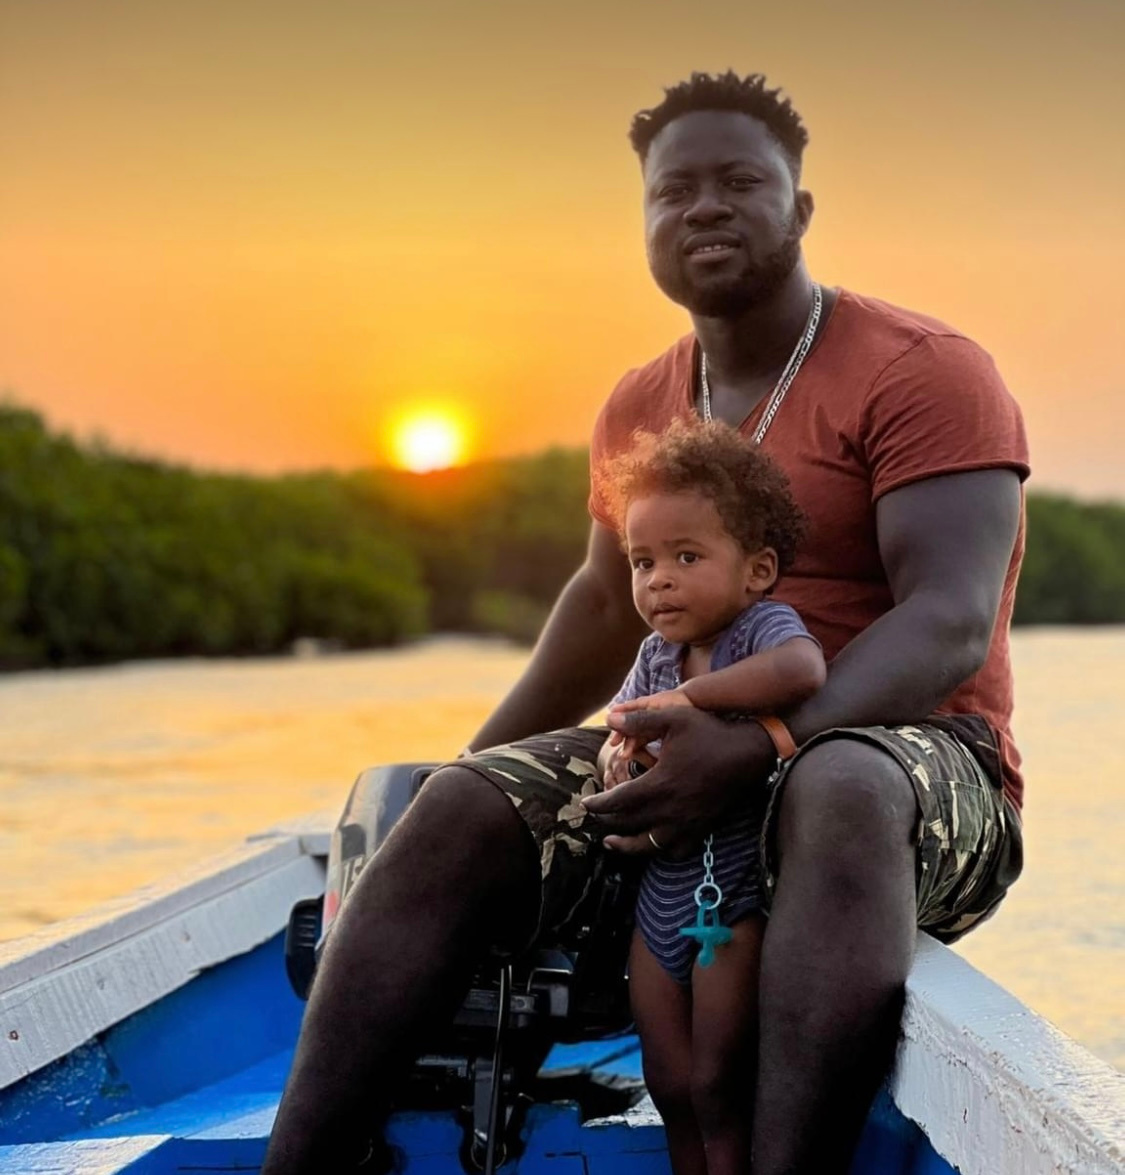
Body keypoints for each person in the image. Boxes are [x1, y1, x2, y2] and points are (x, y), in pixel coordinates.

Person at [262, 71, 1028, 1175]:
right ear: (645, 223)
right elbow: (599, 605)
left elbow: (950, 622)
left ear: (800, 209)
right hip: (683, 748)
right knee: (452, 808)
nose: (703, 208)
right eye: (674, 192)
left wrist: (764, 743)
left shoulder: (923, 371)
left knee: (839, 781)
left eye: (737, 183)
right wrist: (476, 767)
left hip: (914, 767)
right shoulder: (639, 403)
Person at [596, 417, 826, 1175]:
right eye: (641, 561)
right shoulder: (652, 652)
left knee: (715, 1081)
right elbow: (625, 721)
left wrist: (691, 701)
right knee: (667, 1082)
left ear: (755, 569)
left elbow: (802, 673)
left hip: (726, 903)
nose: (657, 579)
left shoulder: (762, 628)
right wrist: (613, 753)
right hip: (658, 897)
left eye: (685, 557)